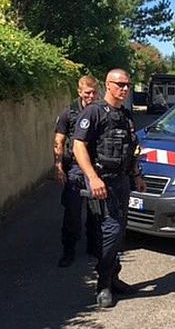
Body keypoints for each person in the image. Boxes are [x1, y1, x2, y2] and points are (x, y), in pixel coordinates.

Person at [73, 68, 146, 308]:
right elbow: (78, 147)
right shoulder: (94, 112)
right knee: (111, 230)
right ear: (108, 85)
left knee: (121, 230)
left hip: (122, 180)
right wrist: (93, 178)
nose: (125, 89)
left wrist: (136, 175)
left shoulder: (125, 115)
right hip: (102, 181)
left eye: (127, 85)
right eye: (120, 84)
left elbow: (131, 148)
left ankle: (114, 278)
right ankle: (102, 284)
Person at [54, 75, 99, 267]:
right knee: (72, 212)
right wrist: (58, 166)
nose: (91, 96)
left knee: (95, 212)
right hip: (74, 168)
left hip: (95, 167)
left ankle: (93, 247)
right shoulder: (68, 114)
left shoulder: (100, 111)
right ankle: (68, 250)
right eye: (88, 93)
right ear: (79, 92)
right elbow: (59, 141)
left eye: (95, 92)